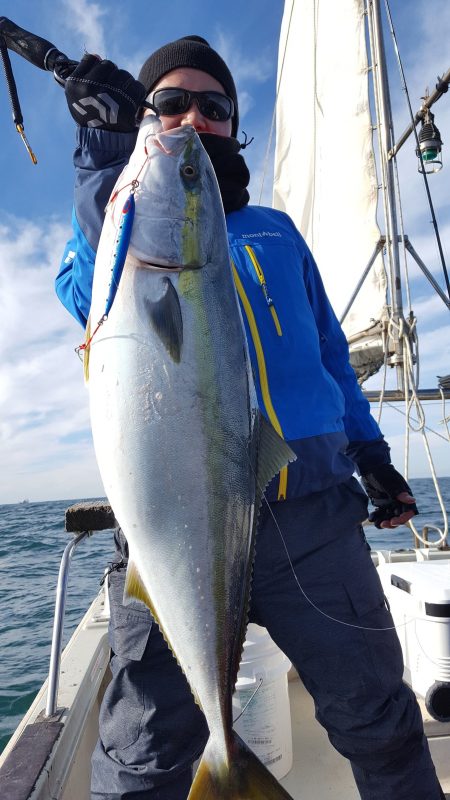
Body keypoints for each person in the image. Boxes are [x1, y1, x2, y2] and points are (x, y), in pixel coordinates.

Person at [55, 36, 445, 800]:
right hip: (174, 531)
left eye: (214, 106)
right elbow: (88, 296)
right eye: (171, 103)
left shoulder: (276, 231)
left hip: (314, 521)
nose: (194, 117)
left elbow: (330, 355)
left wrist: (371, 455)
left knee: (382, 723)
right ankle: (215, 756)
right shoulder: (112, 234)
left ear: (235, 124)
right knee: (140, 758)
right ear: (145, 121)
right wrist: (103, 164)